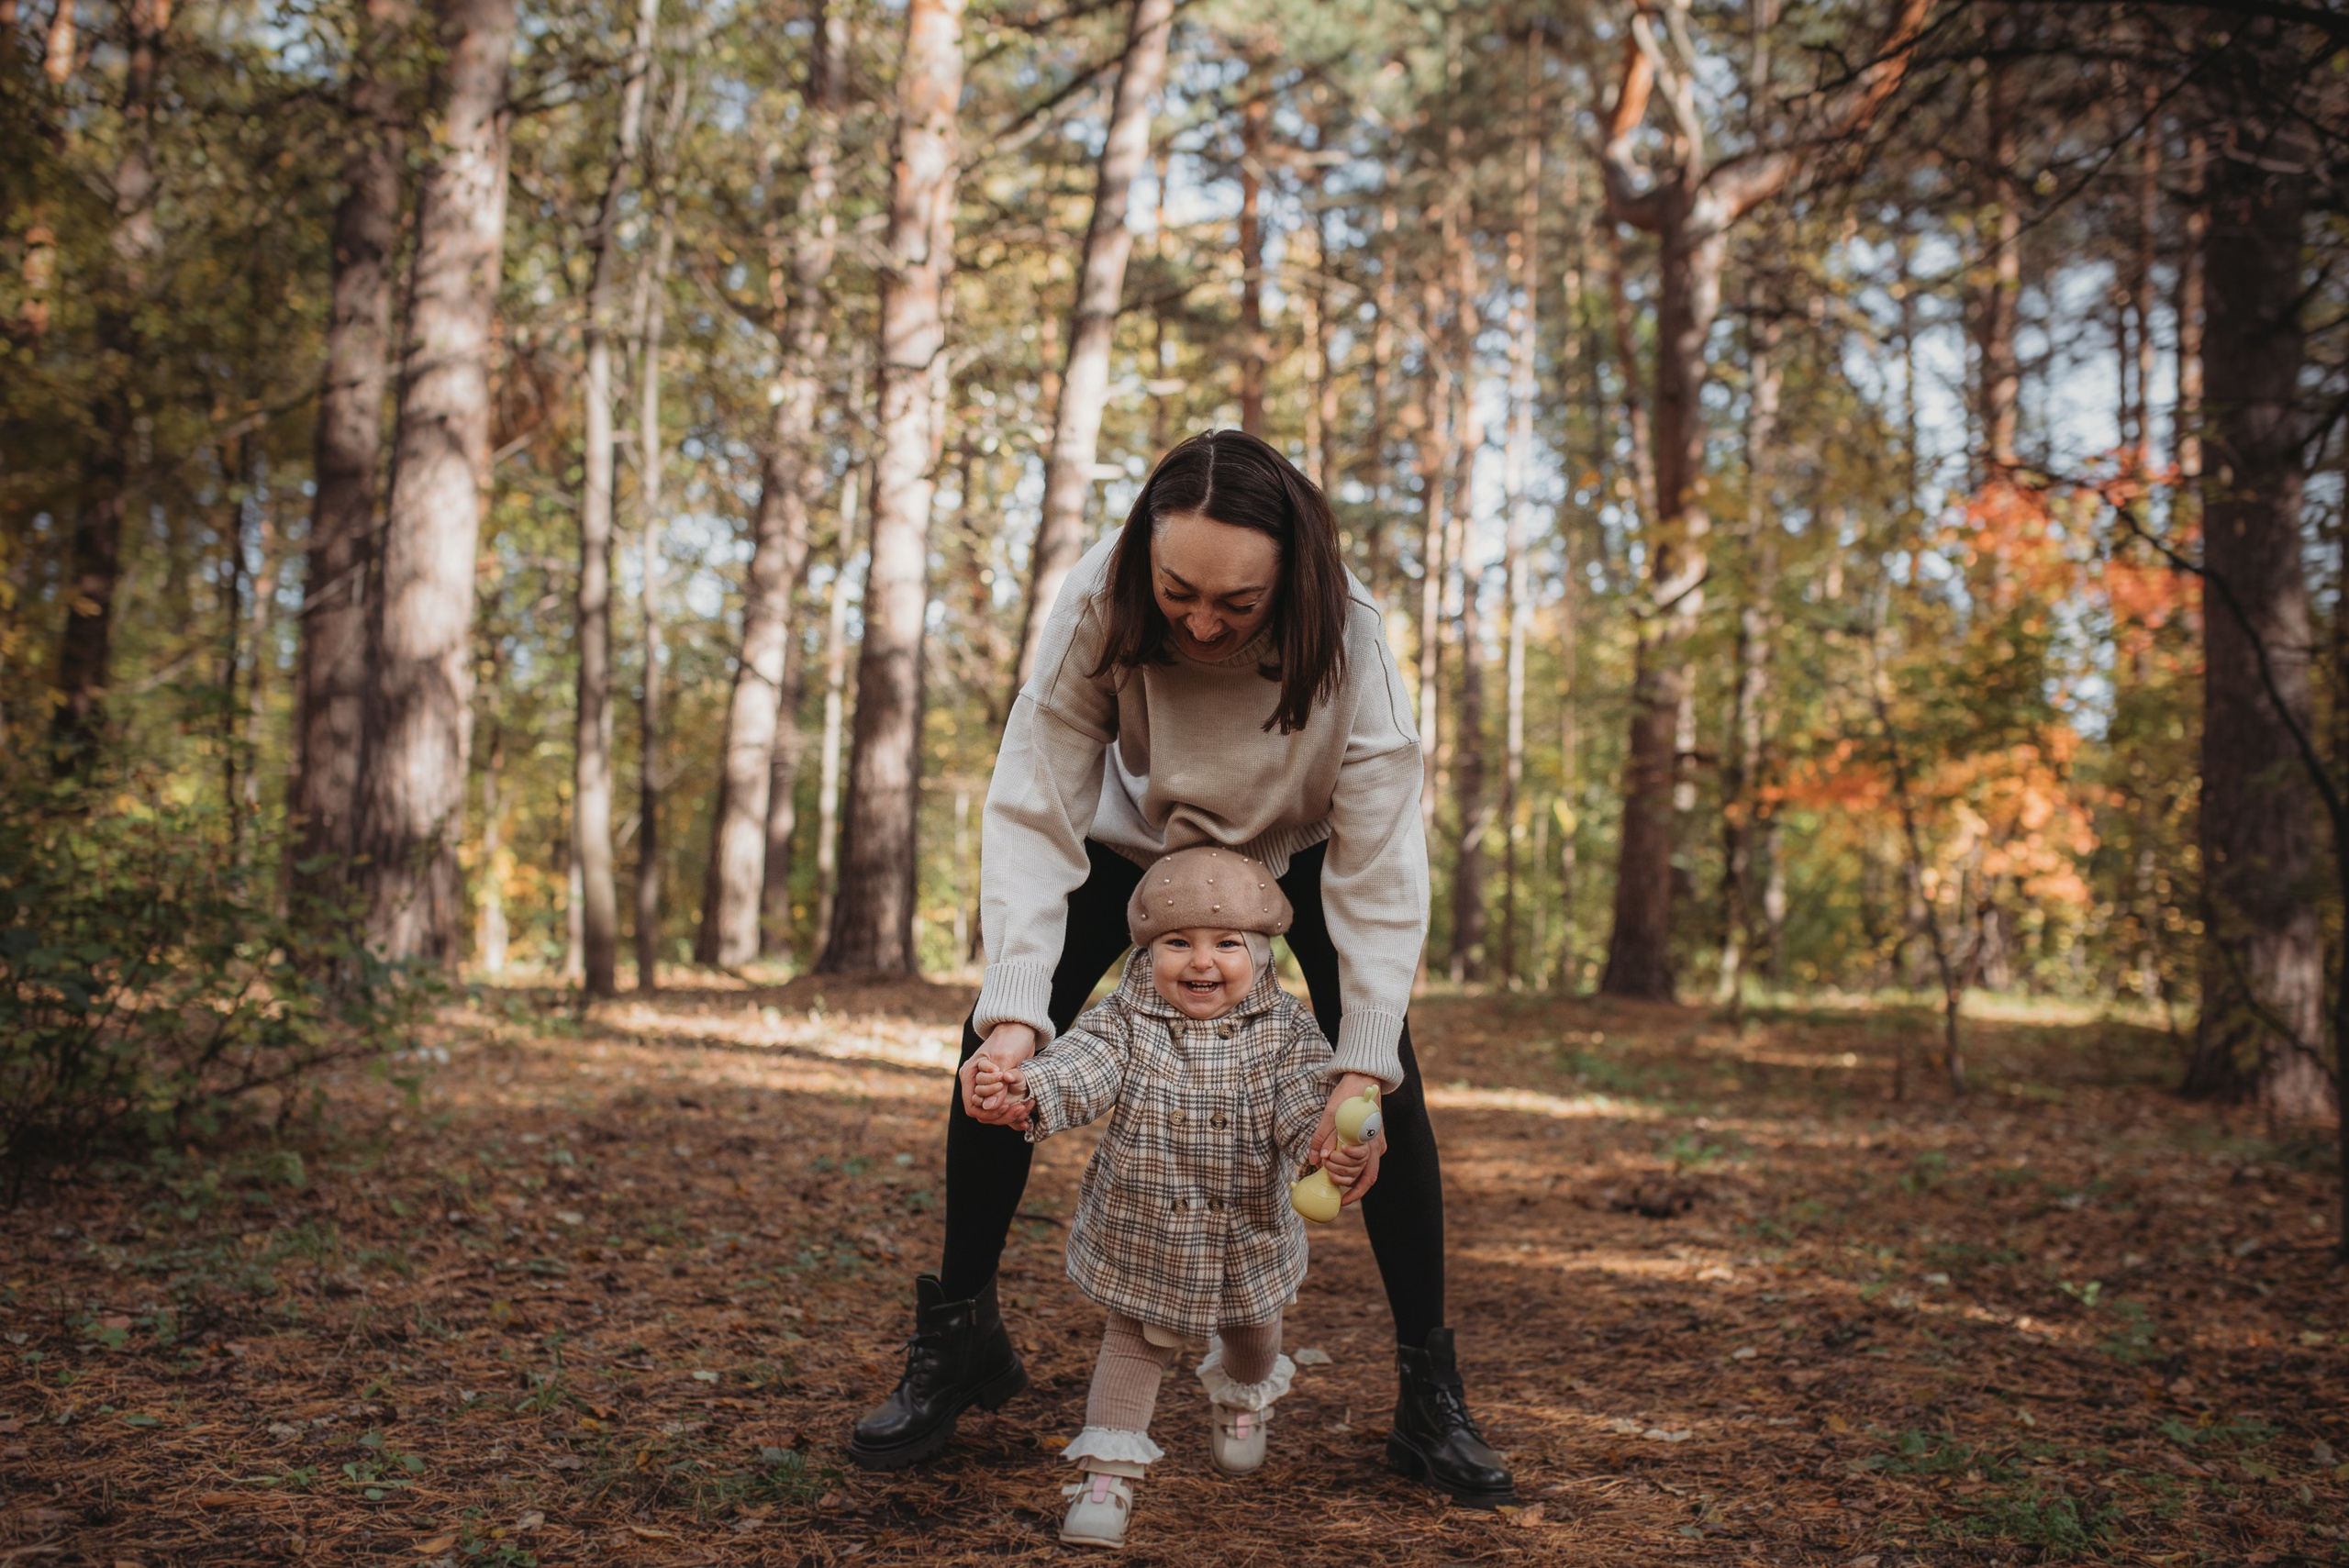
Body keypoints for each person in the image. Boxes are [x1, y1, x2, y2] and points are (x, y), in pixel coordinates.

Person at [846, 428, 1513, 1507]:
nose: (1201, 622)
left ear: (1289, 578)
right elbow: (1035, 804)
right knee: (995, 1056)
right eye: (1178, 591)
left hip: (1289, 854)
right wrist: (1015, 1009)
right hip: (1134, 848)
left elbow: (1383, 867)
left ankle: (1427, 1392)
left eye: (1236, 604)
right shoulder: (1097, 601)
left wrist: (1360, 1063)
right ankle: (961, 1332)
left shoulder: (1352, 639)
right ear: (1142, 562)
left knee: (1390, 1088)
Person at [974, 846, 1370, 1546]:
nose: (1201, 961)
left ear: (1264, 952)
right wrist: (1029, 1087)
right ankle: (1106, 1475)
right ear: (1146, 950)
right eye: (1177, 942)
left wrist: (1327, 1139)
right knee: (1132, 1346)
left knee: (1254, 1337)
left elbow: (1305, 1098)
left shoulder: (1286, 1030)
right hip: (1148, 1232)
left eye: (1227, 943)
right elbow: (1080, 1068)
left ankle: (1242, 1398)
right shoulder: (1125, 1021)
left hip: (1250, 1233)